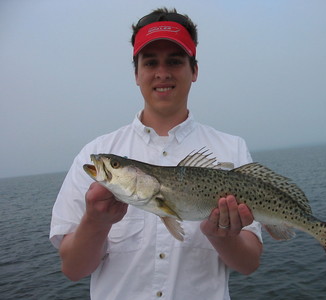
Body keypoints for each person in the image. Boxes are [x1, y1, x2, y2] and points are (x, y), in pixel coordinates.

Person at [50, 8, 263, 300]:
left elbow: (249, 264)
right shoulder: (91, 152)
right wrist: (95, 222)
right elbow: (73, 270)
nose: (162, 72)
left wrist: (219, 235)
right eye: (150, 62)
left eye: (175, 61)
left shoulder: (232, 148)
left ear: (195, 70)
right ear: (136, 74)